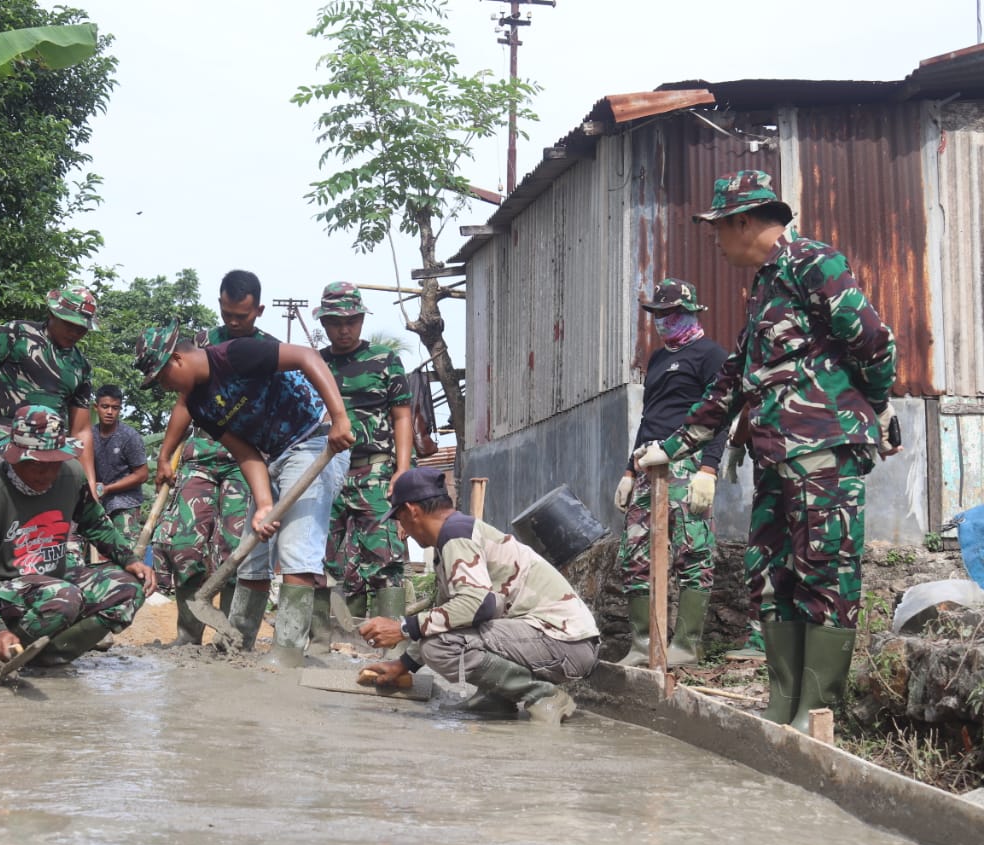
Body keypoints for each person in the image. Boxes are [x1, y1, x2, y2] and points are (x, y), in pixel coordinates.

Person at [634, 170, 899, 732]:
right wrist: (677, 446)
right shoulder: (763, 287)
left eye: (717, 228)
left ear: (743, 221)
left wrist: (878, 405)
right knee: (773, 573)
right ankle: (783, 703)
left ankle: (818, 709)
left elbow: (870, 337)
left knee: (825, 572)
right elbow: (734, 377)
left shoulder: (813, 263)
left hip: (824, 449)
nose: (714, 239)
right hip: (775, 455)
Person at [134, 312, 353, 666]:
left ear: (177, 359)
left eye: (162, 377)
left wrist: (339, 418)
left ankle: (287, 652)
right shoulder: (197, 404)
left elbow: (307, 357)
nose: (164, 387)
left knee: (296, 546)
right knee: (252, 554)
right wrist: (264, 504)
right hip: (273, 457)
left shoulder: (235, 354)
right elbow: (245, 452)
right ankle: (238, 643)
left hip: (314, 440)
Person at [359, 468, 601, 723]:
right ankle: (497, 698)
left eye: (399, 518)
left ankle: (543, 696)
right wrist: (403, 665)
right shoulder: (452, 539)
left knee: (440, 647)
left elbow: (478, 605)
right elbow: (449, 617)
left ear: (411, 511)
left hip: (566, 644)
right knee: (442, 636)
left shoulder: (456, 535)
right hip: (555, 641)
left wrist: (404, 628)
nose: (403, 528)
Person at [0, 405, 155, 667]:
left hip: (53, 580)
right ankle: (1, 650)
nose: (48, 474)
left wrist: (130, 560)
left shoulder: (72, 475)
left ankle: (48, 657)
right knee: (64, 597)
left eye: (54, 463)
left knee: (128, 588)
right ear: (15, 458)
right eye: (37, 466)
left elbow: (96, 524)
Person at [151, 270, 281, 644]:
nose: (233, 323)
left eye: (241, 316)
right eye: (227, 315)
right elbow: (184, 402)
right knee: (185, 543)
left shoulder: (268, 349)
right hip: (202, 455)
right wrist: (165, 454)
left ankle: (230, 637)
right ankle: (187, 635)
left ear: (258, 310)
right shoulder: (203, 343)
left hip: (249, 460)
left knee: (236, 548)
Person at [613, 279, 728, 667]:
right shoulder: (659, 358)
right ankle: (643, 643)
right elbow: (649, 417)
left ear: (691, 312)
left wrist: (709, 468)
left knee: (692, 550)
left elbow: (721, 415)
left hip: (687, 463)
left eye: (671, 314)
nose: (664, 321)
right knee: (636, 553)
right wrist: (630, 468)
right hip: (649, 462)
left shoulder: (710, 355)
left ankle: (686, 644)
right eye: (659, 315)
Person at [314, 281, 413, 640]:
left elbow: (403, 416)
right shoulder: (316, 363)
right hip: (325, 470)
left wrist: (402, 471)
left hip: (375, 468)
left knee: (385, 557)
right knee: (324, 559)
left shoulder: (385, 360)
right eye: (336, 322)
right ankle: (328, 643)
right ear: (324, 323)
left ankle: (392, 647)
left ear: (361, 319)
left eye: (352, 321)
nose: (345, 329)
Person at [0, 286, 99, 494]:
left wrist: (89, 481)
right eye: (69, 324)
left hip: (49, 449)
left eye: (81, 328)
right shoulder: (17, 334)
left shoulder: (80, 366)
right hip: (4, 437)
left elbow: (81, 430)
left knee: (37, 515)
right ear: (52, 314)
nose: (75, 332)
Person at [91, 384, 149, 557]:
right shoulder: (88, 435)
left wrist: (107, 489)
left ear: (120, 409)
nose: (110, 412)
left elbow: (142, 474)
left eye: (115, 408)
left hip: (125, 500)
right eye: (105, 407)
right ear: (96, 407)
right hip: (95, 499)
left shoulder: (129, 436)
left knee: (126, 551)